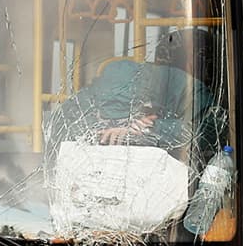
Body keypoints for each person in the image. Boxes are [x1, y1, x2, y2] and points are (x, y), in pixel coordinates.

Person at [43, 27, 225, 164]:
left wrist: (144, 130)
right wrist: (138, 129)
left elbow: (205, 132)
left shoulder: (188, 93)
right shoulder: (185, 89)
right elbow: (206, 134)